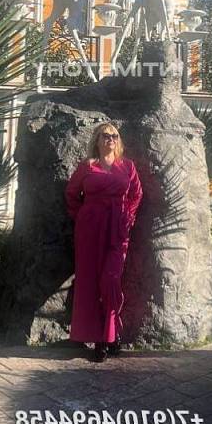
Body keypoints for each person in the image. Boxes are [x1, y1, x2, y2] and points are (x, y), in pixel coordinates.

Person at [65, 122, 143, 362]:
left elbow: (136, 194)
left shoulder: (127, 166)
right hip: (90, 231)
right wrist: (82, 216)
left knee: (110, 279)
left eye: (114, 135)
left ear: (119, 141)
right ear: (97, 140)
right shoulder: (87, 166)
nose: (110, 139)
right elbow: (71, 194)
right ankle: (100, 340)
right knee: (89, 283)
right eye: (105, 135)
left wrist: (127, 218)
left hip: (117, 230)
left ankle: (111, 333)